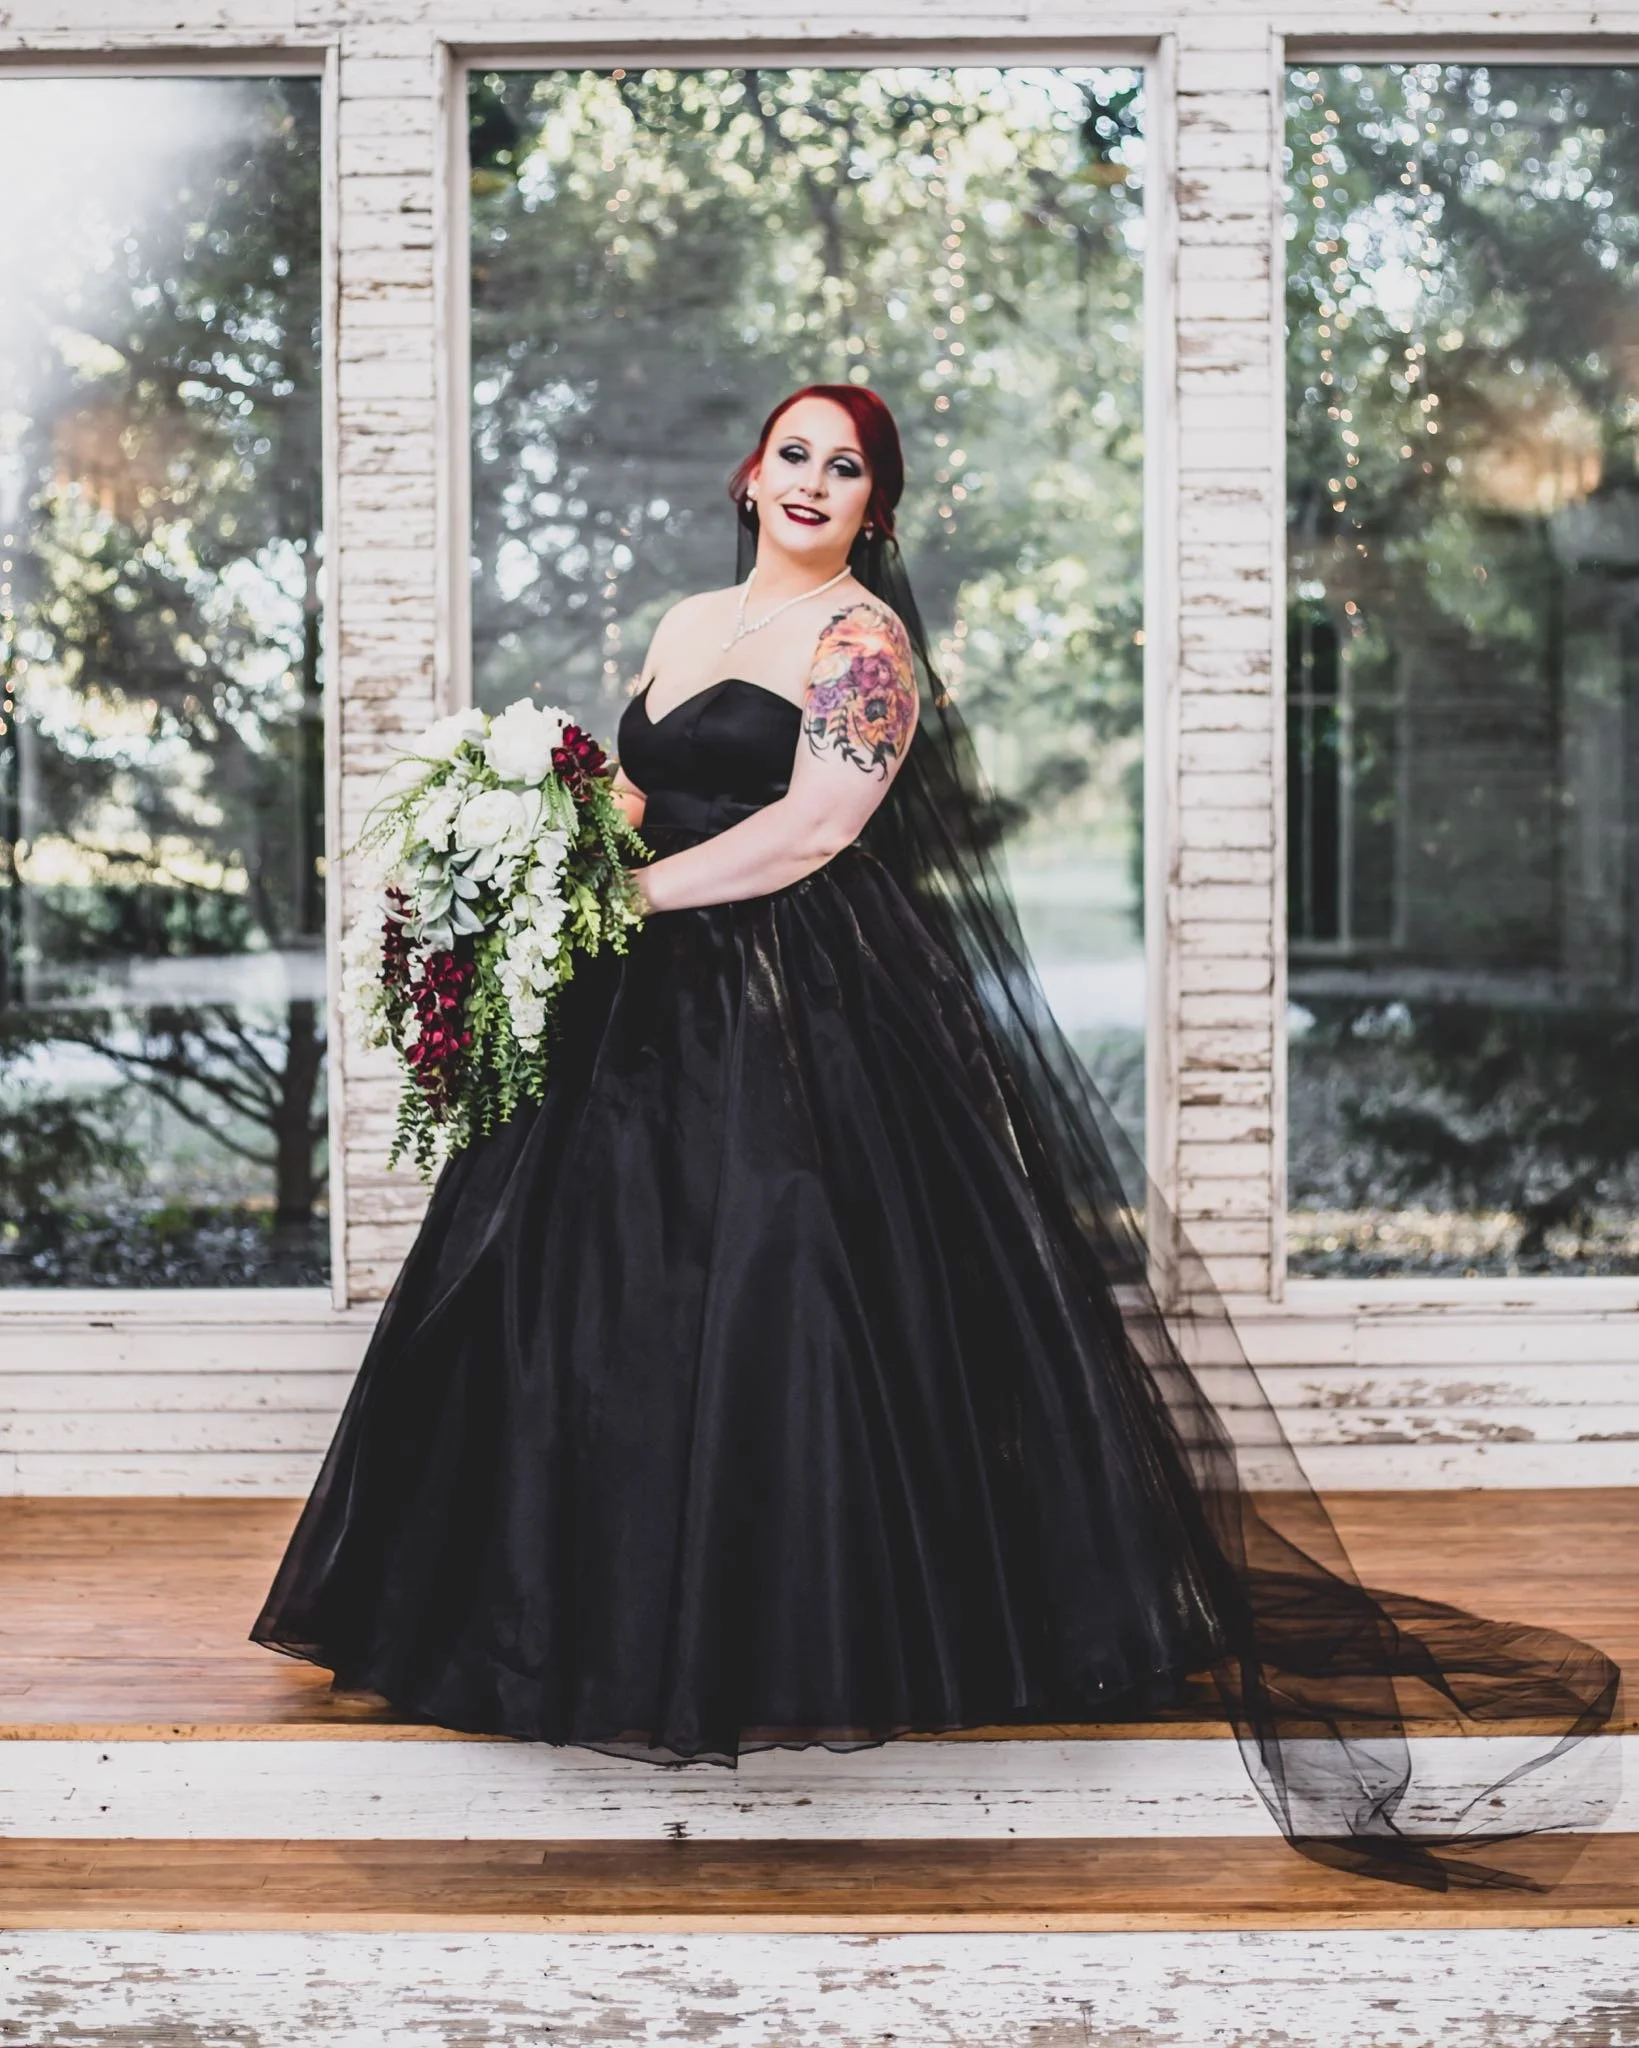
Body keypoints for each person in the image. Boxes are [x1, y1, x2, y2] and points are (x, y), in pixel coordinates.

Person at [255, 383, 1618, 1891]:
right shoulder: (687, 623)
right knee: (579, 1295)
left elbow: (813, 830)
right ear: (750, 474)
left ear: (873, 507)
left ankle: (803, 1634)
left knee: (782, 1282)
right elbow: (637, 789)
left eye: (844, 467)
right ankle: (551, 1620)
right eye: (794, 455)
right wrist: (532, 860)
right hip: (631, 1001)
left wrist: (621, 899)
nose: (812, 480)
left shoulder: (864, 643)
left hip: (793, 999)